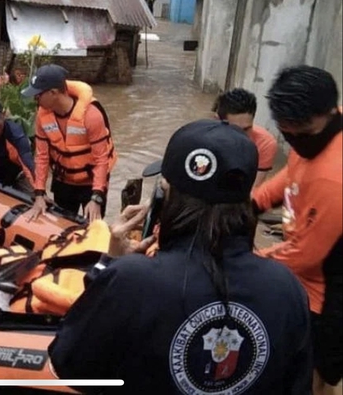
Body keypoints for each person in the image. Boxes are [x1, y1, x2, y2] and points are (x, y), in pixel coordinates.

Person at [49, 119, 312, 393]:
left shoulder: (131, 280)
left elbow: (69, 365)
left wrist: (109, 262)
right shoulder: (287, 287)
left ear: (165, 196)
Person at [252, 66, 342, 395]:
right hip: (307, 254)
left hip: (330, 288)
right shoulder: (316, 139)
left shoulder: (334, 178)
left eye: (303, 133)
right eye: (286, 134)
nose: (295, 142)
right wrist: (251, 204)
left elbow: (304, 256)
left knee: (317, 372)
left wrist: (248, 260)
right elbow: (292, 175)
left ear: (328, 114)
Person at [22, 64, 117, 222]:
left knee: (93, 227)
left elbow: (102, 159)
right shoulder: (42, 117)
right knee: (62, 224)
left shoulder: (92, 116)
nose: (35, 99)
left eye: (38, 95)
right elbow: (42, 156)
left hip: (91, 183)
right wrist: (39, 193)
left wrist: (97, 198)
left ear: (53, 93)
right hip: (63, 181)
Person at [212, 88, 277, 187]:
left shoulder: (265, 143)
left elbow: (254, 188)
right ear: (218, 121)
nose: (241, 136)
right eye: (234, 129)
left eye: (246, 129)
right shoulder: (205, 139)